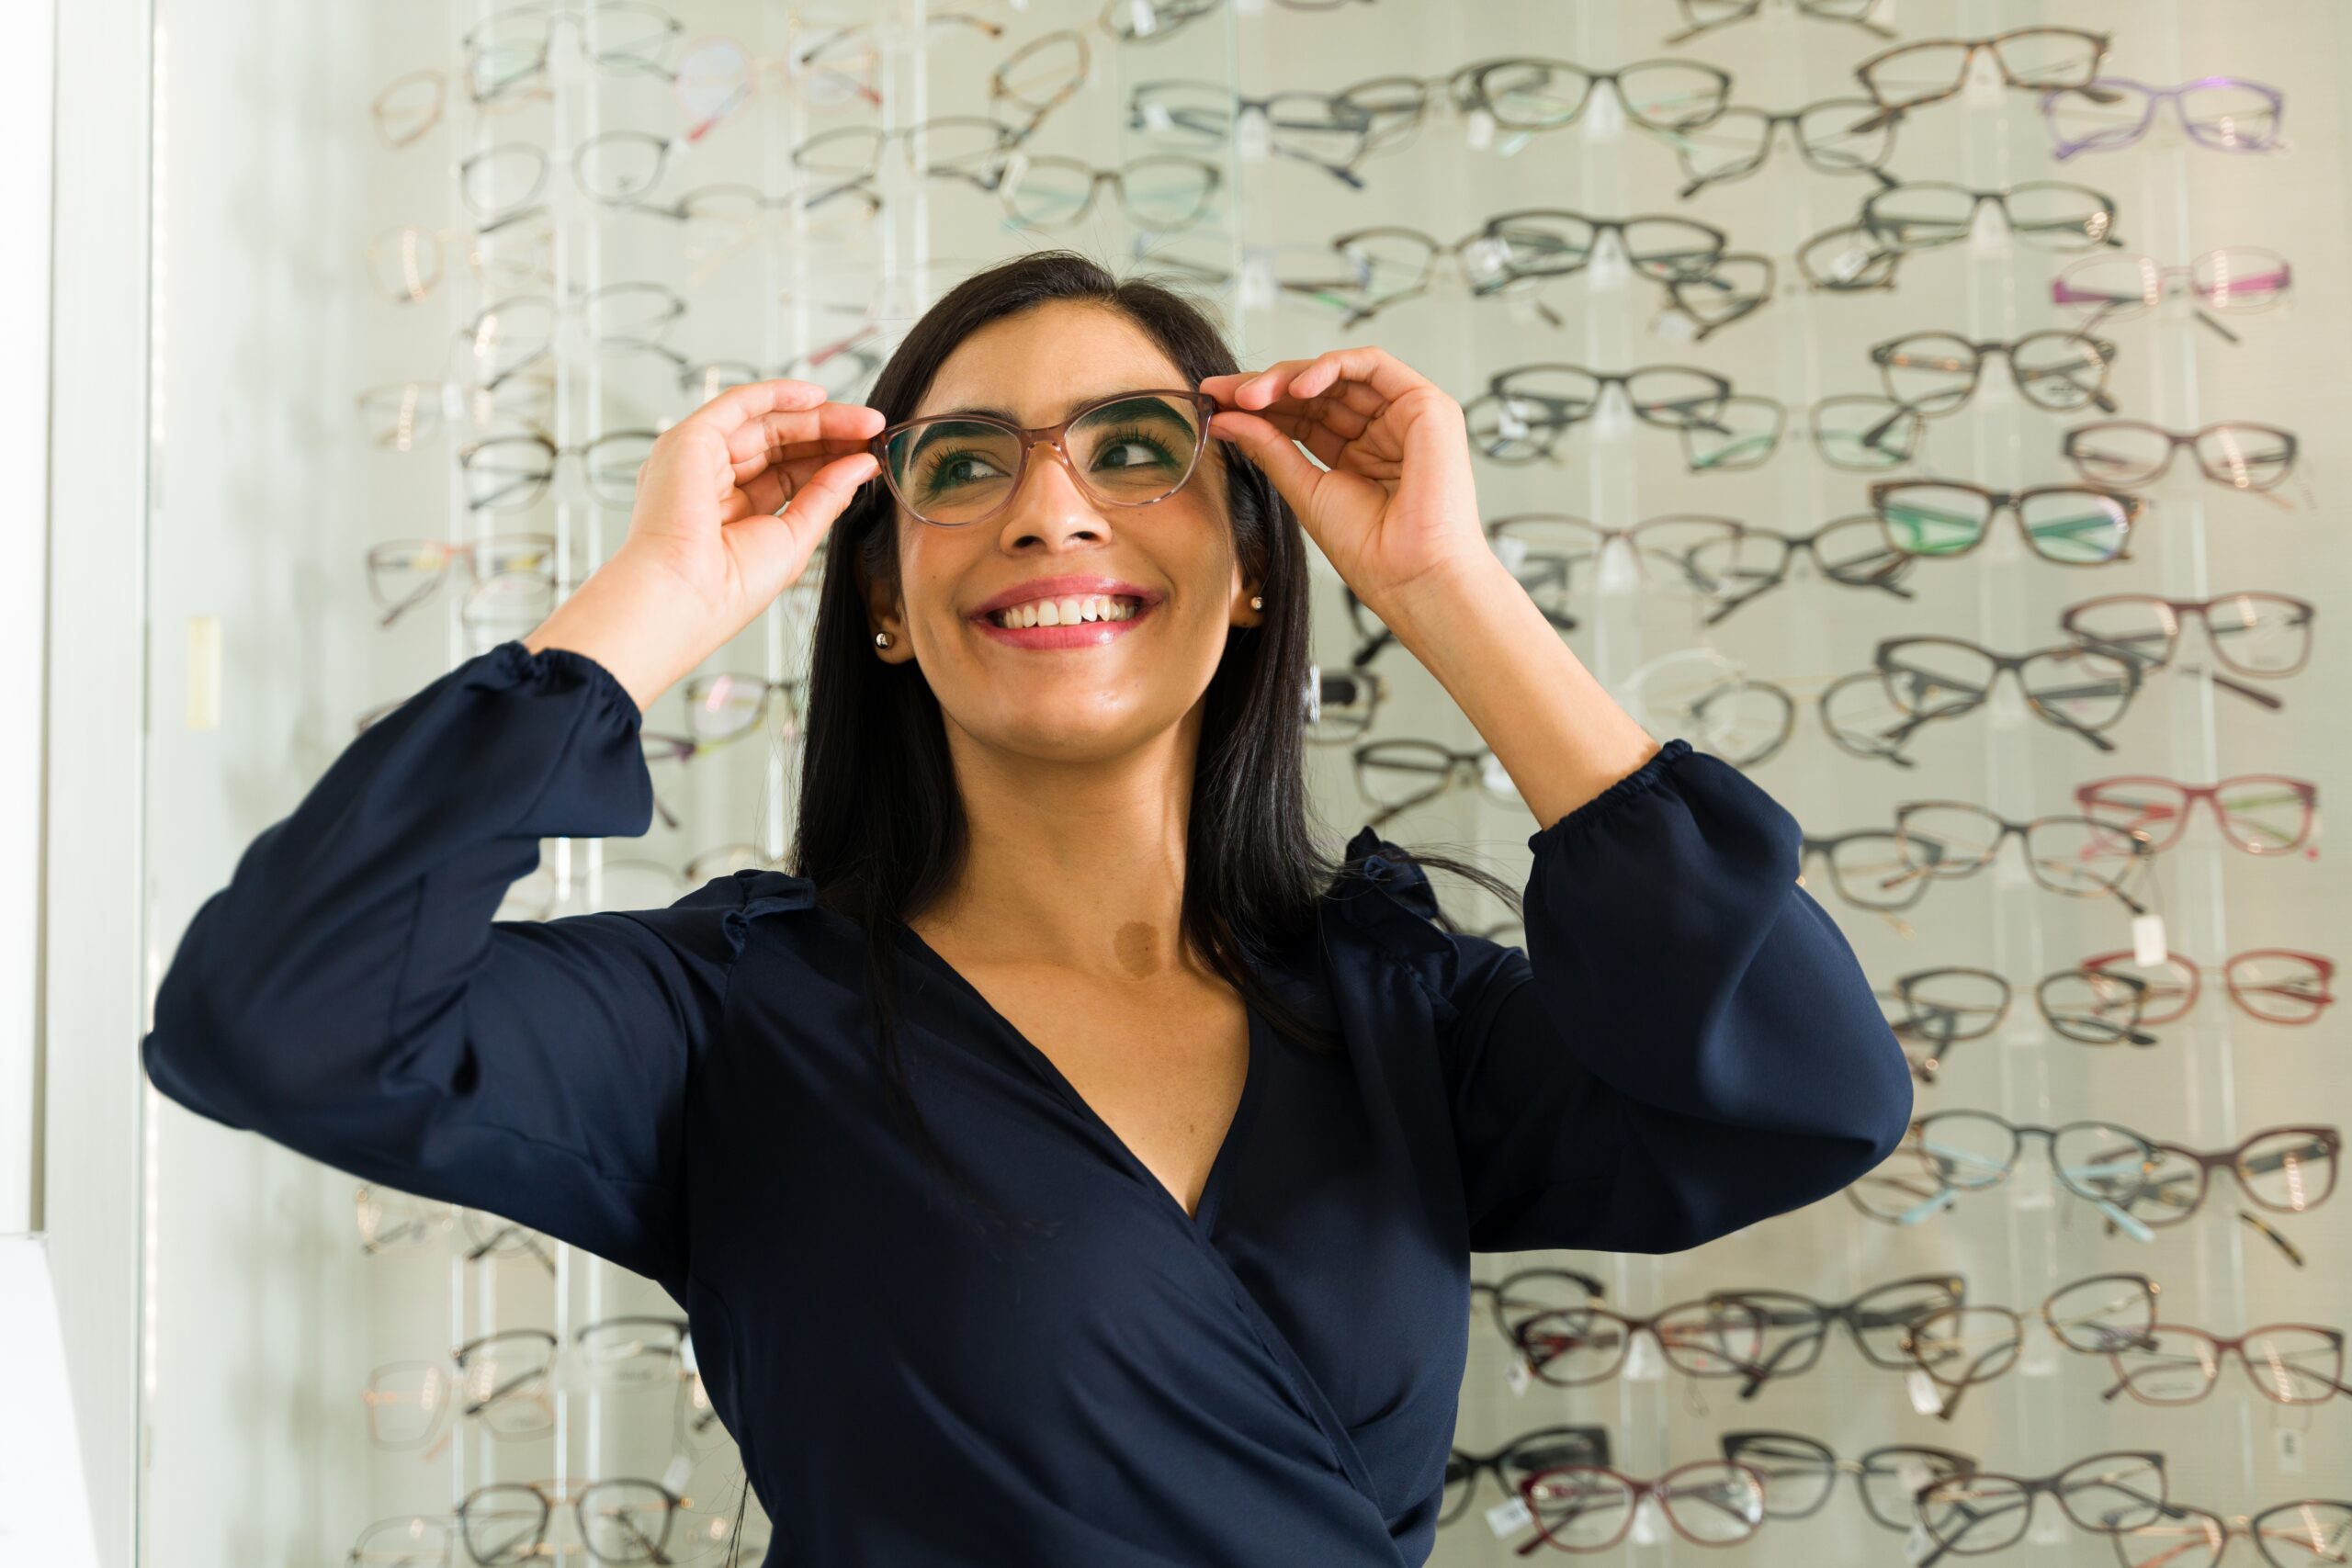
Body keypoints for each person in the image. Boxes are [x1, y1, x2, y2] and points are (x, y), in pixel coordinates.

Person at [142, 251, 1909, 1566]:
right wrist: (653, 597)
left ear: (1243, 577)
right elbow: (279, 1021)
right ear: (890, 602)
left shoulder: (1403, 1023)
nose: (1052, 510)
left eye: (1137, 451)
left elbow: (1809, 1092)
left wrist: (1447, 589)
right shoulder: (728, 1027)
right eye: (966, 464)